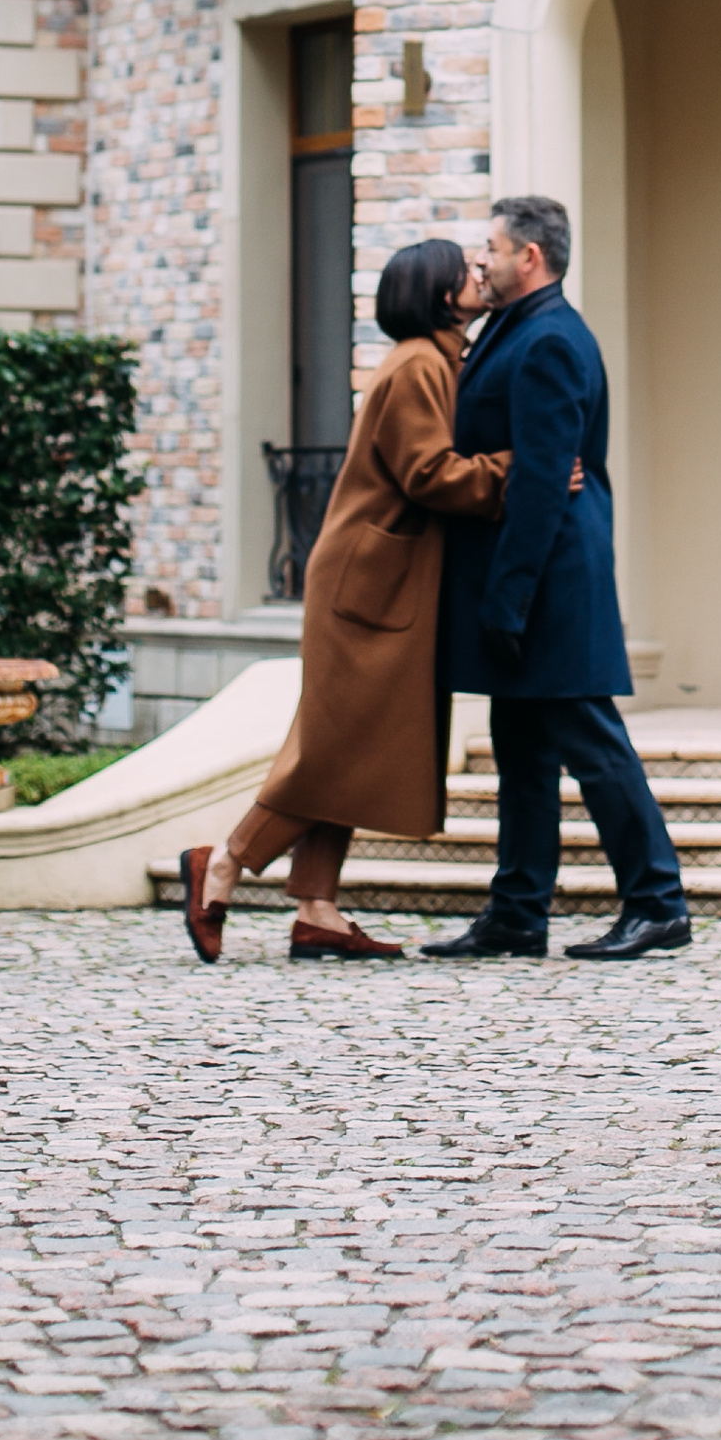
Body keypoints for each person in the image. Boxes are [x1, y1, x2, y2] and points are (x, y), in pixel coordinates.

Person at [180, 235, 509, 961]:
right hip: (368, 587)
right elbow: (430, 473)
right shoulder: (418, 364)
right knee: (333, 751)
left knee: (348, 748)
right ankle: (224, 864)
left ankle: (318, 910)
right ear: (437, 293)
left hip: (381, 580)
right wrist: (517, 469)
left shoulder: (435, 358)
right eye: (465, 272)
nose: (478, 275)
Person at [425, 193, 692, 964]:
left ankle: (656, 902)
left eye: (492, 248)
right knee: (523, 749)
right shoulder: (512, 328)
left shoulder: (549, 341)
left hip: (549, 579)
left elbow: (544, 482)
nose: (481, 259)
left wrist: (508, 599)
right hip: (529, 574)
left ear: (529, 257)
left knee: (592, 743)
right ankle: (516, 912)